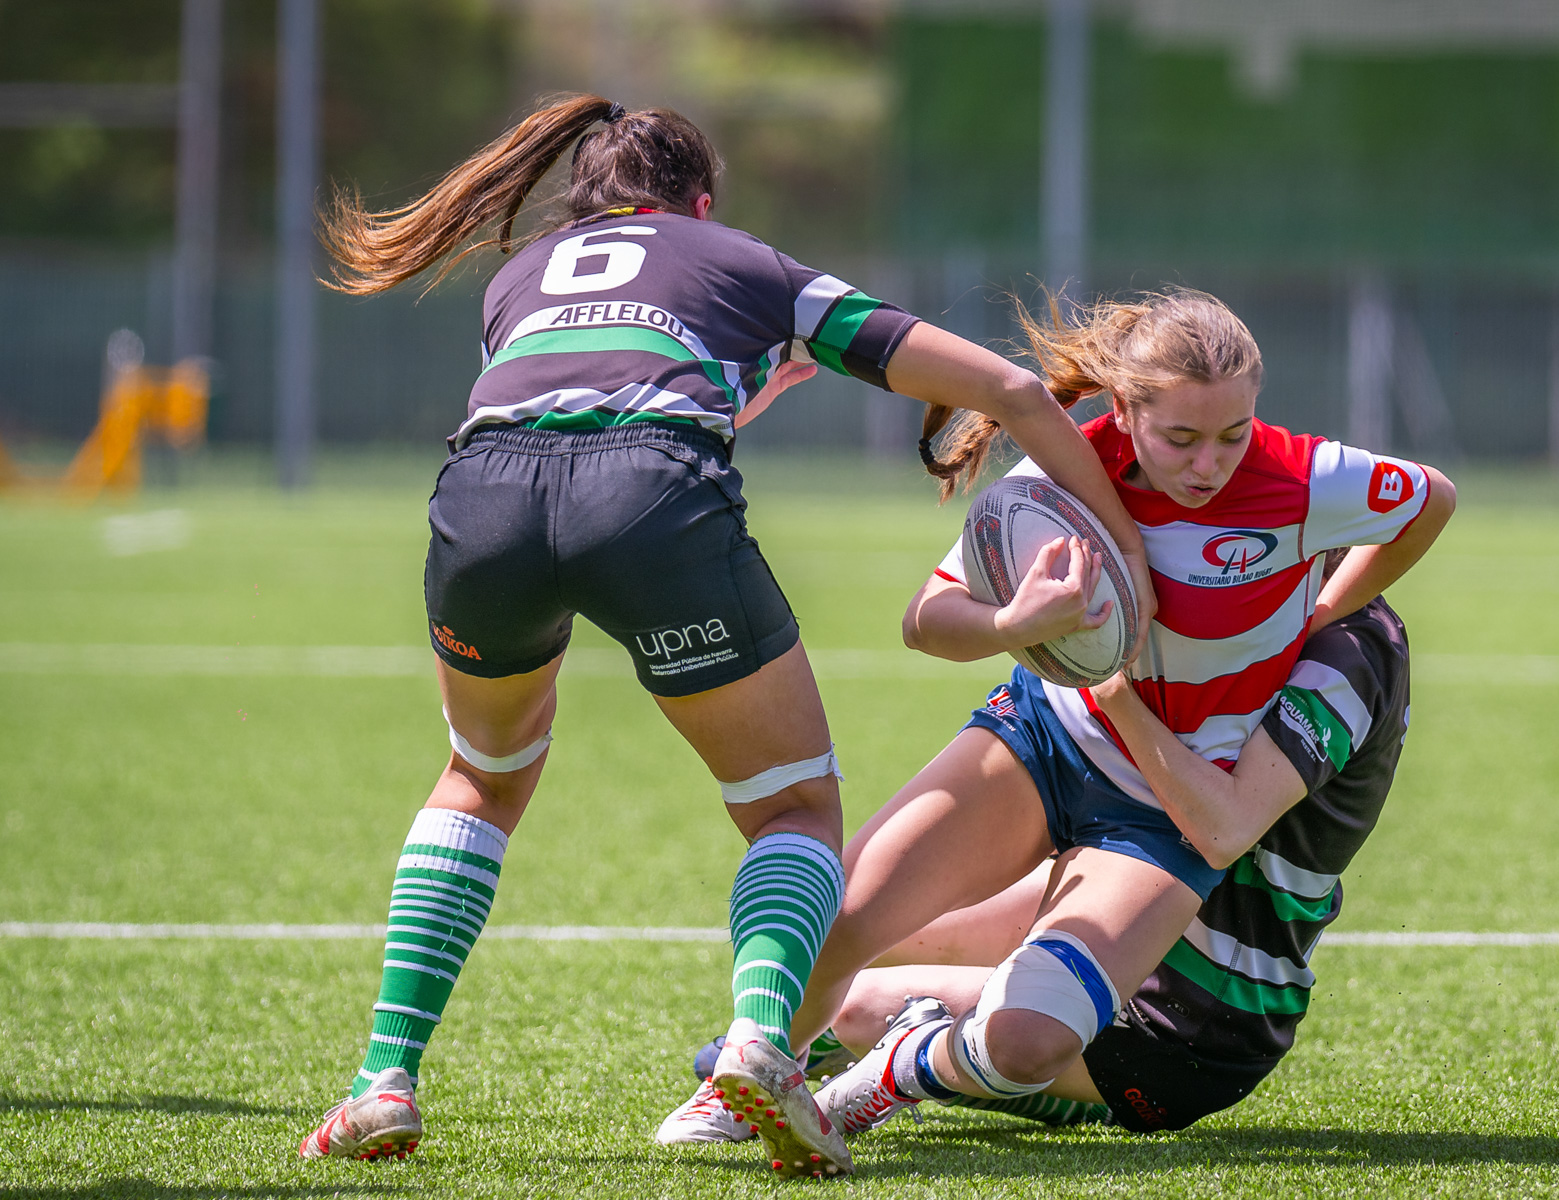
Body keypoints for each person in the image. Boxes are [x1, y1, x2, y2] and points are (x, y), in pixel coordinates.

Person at [293, 94, 1153, 1181]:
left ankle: (382, 1080)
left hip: (483, 499)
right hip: (650, 499)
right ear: (698, 202)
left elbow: (582, 402)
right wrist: (1125, 546)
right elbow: (1012, 389)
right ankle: (760, 1042)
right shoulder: (742, 259)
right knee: (793, 807)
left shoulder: (522, 278)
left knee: (480, 777)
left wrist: (730, 391)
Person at [747, 288, 1452, 1141]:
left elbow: (1430, 499)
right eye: (1181, 439)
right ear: (1125, 409)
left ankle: (897, 1068)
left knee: (1026, 1038)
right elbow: (923, 621)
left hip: (1163, 805)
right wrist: (1015, 625)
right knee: (844, 916)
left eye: (1232, 434)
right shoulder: (1066, 474)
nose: (1210, 464)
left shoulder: (1303, 477)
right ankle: (741, 1091)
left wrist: (1331, 606)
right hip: (1045, 740)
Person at [820, 549, 1412, 1133]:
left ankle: (911, 1066)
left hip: (1188, 1015)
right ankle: (763, 1056)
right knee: (869, 922)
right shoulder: (1220, 580)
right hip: (1119, 880)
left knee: (865, 1008)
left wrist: (1110, 687)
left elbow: (1222, 829)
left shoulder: (1351, 653)